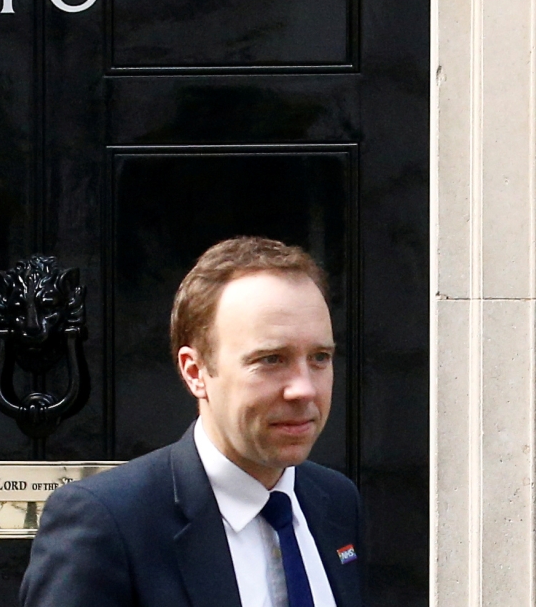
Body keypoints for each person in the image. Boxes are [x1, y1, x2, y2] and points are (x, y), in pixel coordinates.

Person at [20, 237, 363, 607]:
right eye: (271, 359)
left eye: (319, 357)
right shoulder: (109, 523)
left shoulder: (337, 501)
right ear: (195, 371)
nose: (304, 389)